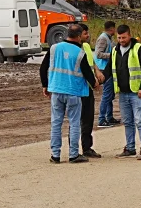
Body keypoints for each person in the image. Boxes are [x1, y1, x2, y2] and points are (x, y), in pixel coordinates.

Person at [40, 23, 98, 163]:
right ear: (78, 37)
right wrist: (95, 84)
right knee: (74, 123)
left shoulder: (54, 48)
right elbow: (87, 73)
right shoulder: (79, 52)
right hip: (73, 92)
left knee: (56, 123)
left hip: (56, 91)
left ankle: (55, 155)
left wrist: (45, 85)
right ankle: (73, 154)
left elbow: (43, 68)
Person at [112, 26, 141, 159]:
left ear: (129, 36)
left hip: (137, 92)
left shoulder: (138, 49)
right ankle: (130, 148)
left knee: (140, 120)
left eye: (124, 37)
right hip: (123, 93)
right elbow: (110, 68)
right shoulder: (115, 50)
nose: (121, 40)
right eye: (119, 38)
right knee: (128, 121)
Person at [77, 25, 102, 158]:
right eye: (86, 34)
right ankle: (73, 150)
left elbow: (91, 63)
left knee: (88, 119)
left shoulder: (86, 46)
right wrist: (94, 82)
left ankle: (87, 148)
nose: (88, 36)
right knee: (76, 121)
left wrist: (97, 70)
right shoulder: (74, 49)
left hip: (87, 89)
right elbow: (84, 69)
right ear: (79, 35)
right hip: (77, 89)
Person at [94, 23, 118, 127]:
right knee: (107, 95)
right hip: (105, 69)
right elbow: (98, 54)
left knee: (110, 95)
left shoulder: (108, 38)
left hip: (108, 68)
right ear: (112, 29)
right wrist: (113, 55)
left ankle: (109, 117)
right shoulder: (103, 38)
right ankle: (102, 119)